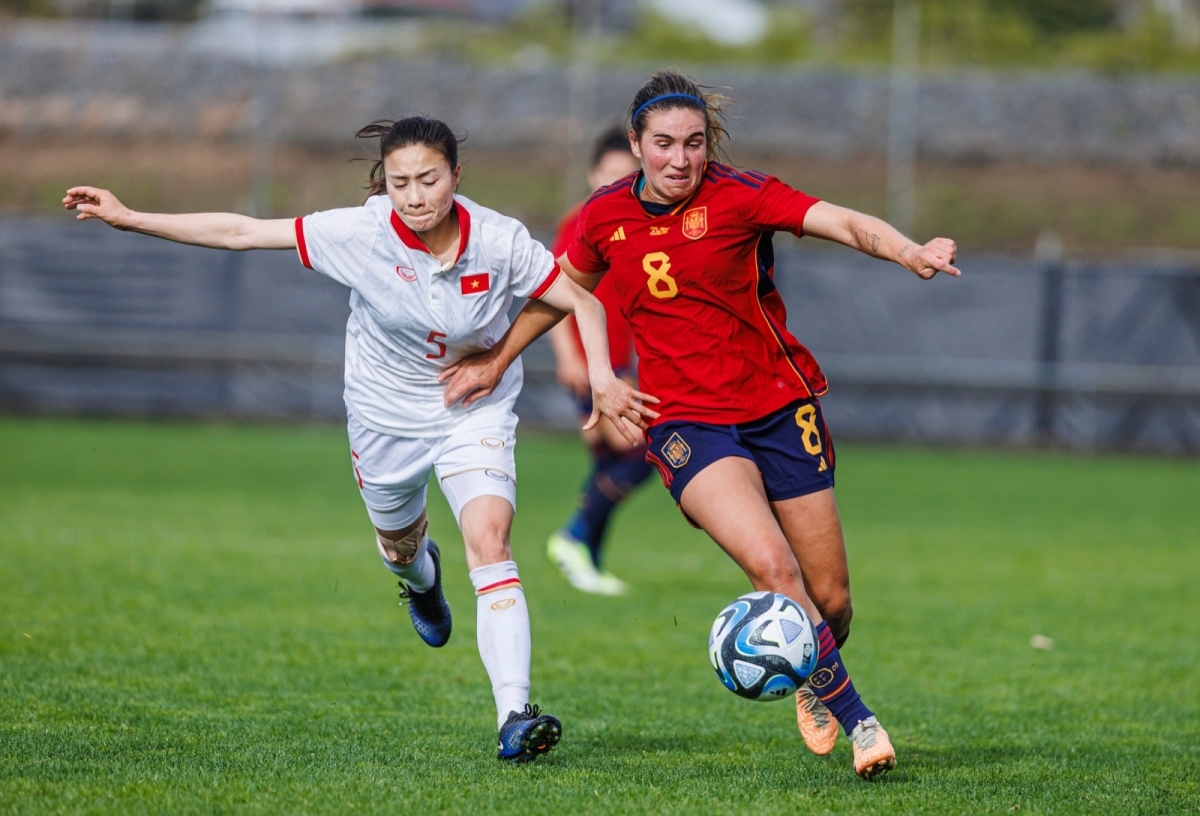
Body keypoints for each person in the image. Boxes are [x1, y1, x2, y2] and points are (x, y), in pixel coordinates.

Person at [63, 115, 658, 764]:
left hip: (473, 410)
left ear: (456, 176)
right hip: (382, 417)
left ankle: (514, 714)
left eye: (428, 178)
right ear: (385, 185)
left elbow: (584, 301)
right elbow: (240, 232)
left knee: (490, 538)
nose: (415, 194)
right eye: (400, 182)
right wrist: (130, 216)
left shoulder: (499, 239)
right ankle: (420, 581)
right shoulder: (360, 232)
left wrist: (602, 375)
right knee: (401, 551)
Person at [439, 71, 960, 780]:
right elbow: (559, 294)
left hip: (780, 407)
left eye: (693, 143)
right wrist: (497, 360)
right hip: (687, 423)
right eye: (663, 144)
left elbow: (840, 219)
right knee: (775, 571)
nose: (679, 159)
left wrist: (907, 251)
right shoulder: (603, 218)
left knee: (830, 600)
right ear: (635, 145)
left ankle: (811, 672)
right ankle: (860, 722)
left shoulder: (740, 195)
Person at [544, 127, 650, 595]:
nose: (615, 185)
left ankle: (587, 557)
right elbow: (551, 294)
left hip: (623, 363)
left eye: (626, 177)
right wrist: (569, 356)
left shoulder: (633, 223)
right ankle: (573, 535)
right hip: (596, 365)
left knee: (610, 458)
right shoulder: (581, 223)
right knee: (647, 448)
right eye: (608, 175)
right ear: (591, 174)